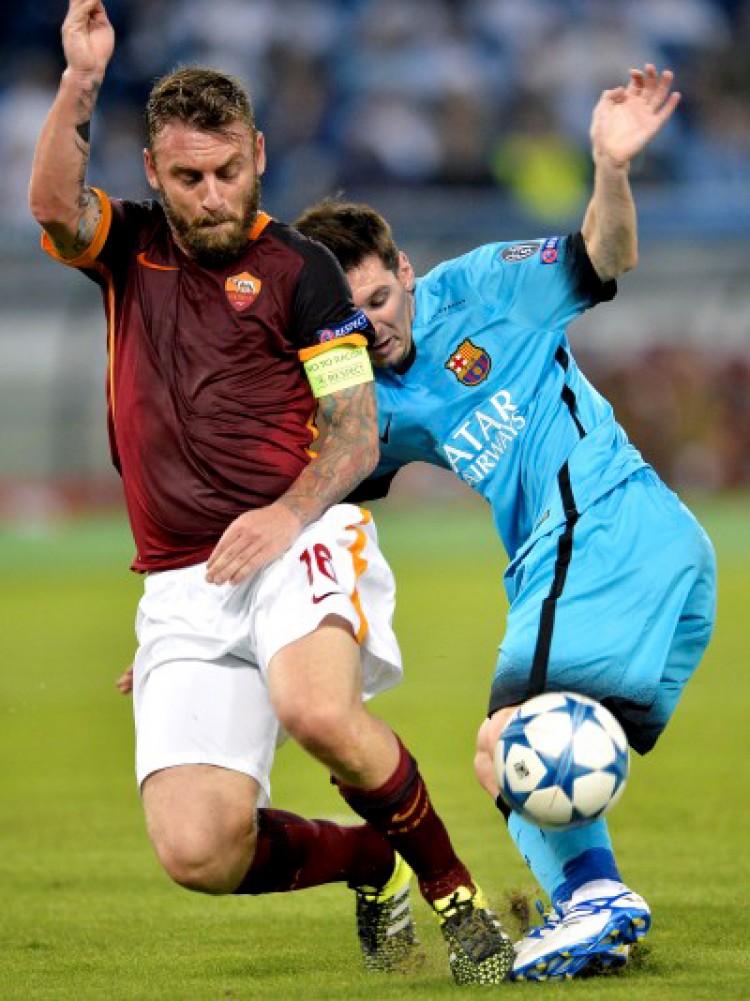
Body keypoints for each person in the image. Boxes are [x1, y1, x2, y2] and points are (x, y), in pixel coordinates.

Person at [29, 0, 516, 985]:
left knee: (315, 710)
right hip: (183, 580)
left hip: (302, 532)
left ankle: (458, 900)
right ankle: (369, 859)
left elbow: (354, 430)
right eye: (188, 178)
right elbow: (51, 206)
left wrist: (286, 512)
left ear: (256, 154)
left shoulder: (302, 270)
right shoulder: (127, 250)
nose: (211, 196)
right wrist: (80, 82)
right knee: (198, 849)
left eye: (227, 171)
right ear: (154, 172)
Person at [293, 65, 717, 981]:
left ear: (405, 271)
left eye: (381, 300)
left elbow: (606, 257)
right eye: (349, 319)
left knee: (514, 737)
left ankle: (596, 900)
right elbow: (315, 493)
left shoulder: (487, 286)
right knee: (500, 751)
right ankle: (589, 909)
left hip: (600, 530)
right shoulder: (361, 397)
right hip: (629, 552)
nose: (373, 328)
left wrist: (611, 168)